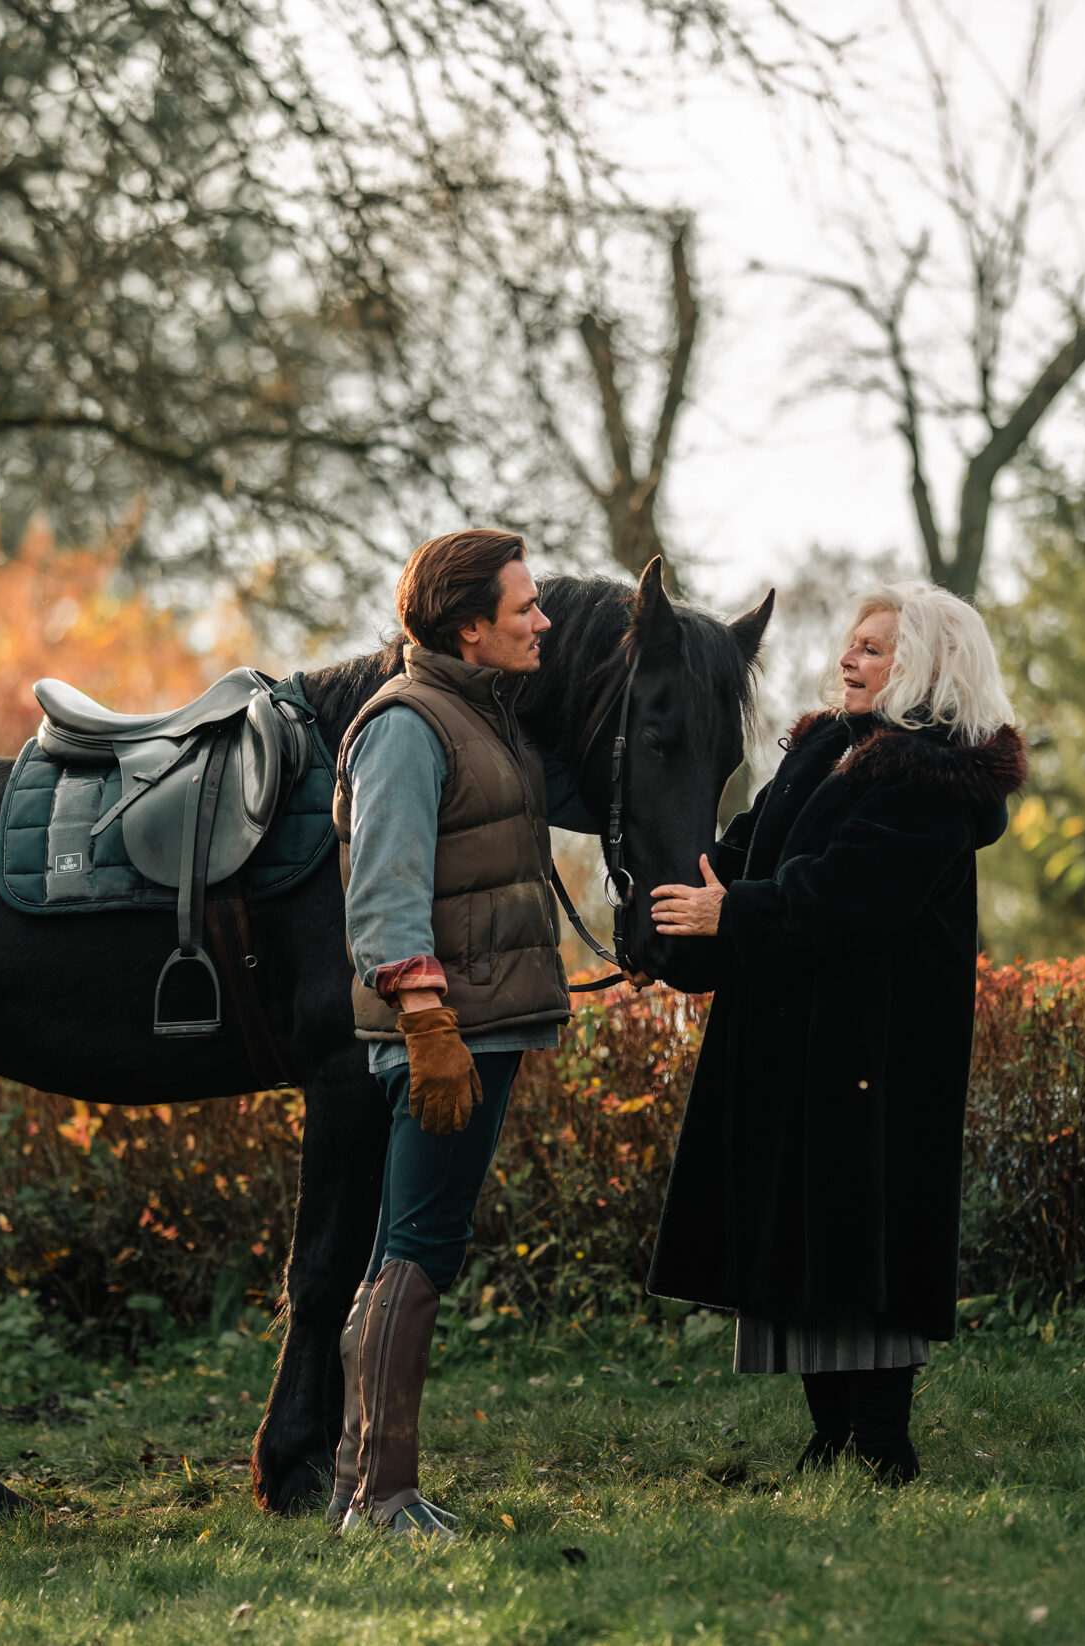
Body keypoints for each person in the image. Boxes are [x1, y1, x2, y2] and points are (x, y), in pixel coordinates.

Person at [642, 581, 1026, 1482]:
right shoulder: (822, 751)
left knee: (864, 1245)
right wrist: (665, 920)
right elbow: (739, 856)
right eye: (853, 643)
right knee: (794, 1251)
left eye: (875, 648)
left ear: (927, 667)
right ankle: (831, 1438)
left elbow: (844, 898)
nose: (849, 658)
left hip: (875, 1057)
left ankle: (883, 1444)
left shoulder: (930, 782)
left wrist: (727, 918)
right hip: (787, 1045)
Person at [327, 527, 595, 1537]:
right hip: (447, 1030)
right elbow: (383, 882)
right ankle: (384, 1497)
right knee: (417, 1251)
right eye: (524, 607)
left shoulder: (484, 717)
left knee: (405, 1249)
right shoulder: (406, 724)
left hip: (482, 1022)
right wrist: (426, 1016)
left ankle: (364, 1487)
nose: (544, 621)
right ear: (468, 625)